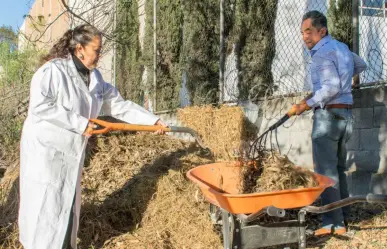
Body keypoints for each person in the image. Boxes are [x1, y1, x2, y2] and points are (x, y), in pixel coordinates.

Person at [18, 24, 167, 249]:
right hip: (45, 154)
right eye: (96, 50)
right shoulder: (53, 71)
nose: (99, 54)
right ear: (80, 49)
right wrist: (80, 123)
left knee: (66, 207)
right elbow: (40, 106)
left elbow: (119, 105)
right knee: (45, 210)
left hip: (71, 154)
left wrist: (152, 120)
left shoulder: (95, 78)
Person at [290, 11, 367, 236]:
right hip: (346, 117)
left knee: (325, 171)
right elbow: (360, 65)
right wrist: (347, 82)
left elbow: (330, 88)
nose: (305, 37)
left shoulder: (321, 53)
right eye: (302, 32)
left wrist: (308, 104)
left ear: (322, 31)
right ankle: (344, 217)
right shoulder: (342, 47)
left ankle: (331, 223)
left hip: (328, 117)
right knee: (340, 168)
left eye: (309, 32)